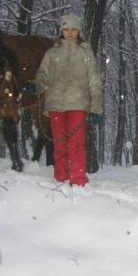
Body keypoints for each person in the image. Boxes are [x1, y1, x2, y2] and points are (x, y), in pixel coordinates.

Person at [29, 14, 103, 186]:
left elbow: (94, 80)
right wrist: (36, 85)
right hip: (55, 104)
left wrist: (96, 108)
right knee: (59, 143)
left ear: (78, 31)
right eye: (66, 29)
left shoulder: (86, 52)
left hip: (78, 103)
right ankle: (61, 178)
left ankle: (78, 180)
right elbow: (43, 76)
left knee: (76, 143)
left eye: (73, 29)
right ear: (62, 31)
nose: (70, 33)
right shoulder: (52, 53)